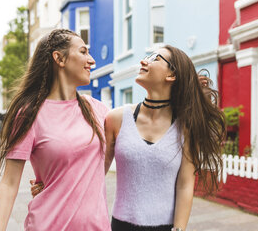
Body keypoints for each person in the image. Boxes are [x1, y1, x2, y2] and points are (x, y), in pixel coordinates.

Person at [32, 45, 226, 231]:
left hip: (166, 227)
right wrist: (53, 185)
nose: (143, 61)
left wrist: (179, 229)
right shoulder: (116, 118)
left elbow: (185, 185)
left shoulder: (185, 127)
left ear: (171, 75)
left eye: (155, 58)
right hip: (120, 226)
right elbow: (93, 171)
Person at [0, 29, 111, 231]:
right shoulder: (29, 114)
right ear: (59, 58)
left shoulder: (97, 109)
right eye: (83, 52)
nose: (91, 60)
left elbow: (140, 127)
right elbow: (9, 183)